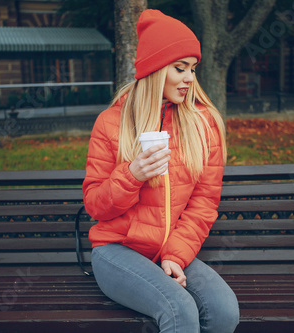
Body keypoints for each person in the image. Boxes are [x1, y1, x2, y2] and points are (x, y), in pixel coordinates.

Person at [82, 9, 240, 333]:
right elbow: (95, 205)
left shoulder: (203, 125)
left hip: (169, 249)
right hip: (116, 250)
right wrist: (132, 175)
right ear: (154, 70)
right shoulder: (111, 124)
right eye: (179, 68)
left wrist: (175, 256)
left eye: (193, 69)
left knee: (224, 313)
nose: (189, 79)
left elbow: (203, 204)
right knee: (179, 310)